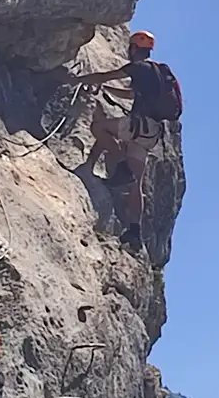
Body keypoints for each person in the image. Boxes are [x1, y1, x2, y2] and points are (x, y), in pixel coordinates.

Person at [74, 30, 182, 251]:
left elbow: (105, 76)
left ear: (134, 48)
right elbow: (130, 94)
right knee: (136, 183)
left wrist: (76, 80)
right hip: (151, 133)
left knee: (99, 127)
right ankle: (134, 231)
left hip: (137, 125)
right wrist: (106, 90)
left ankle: (119, 165)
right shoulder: (155, 73)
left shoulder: (138, 67)